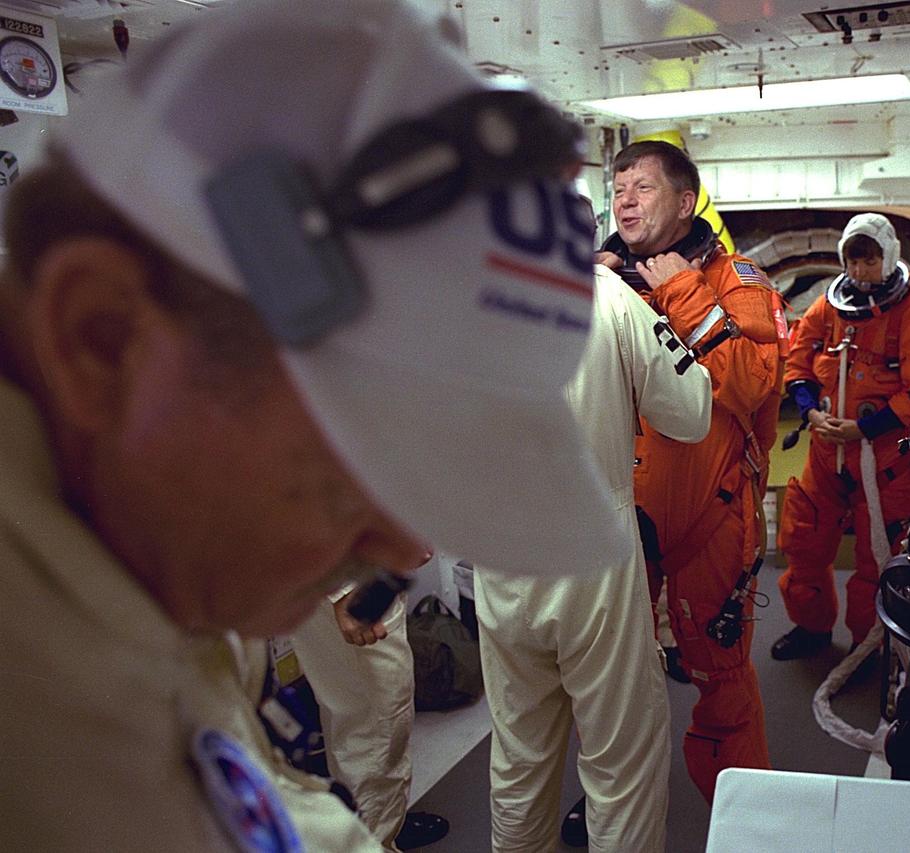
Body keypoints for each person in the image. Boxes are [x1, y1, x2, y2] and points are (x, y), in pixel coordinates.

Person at [0, 1, 628, 849]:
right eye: (359, 464)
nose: (406, 546)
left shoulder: (145, 571)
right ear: (102, 337)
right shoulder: (46, 736)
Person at [475, 259, 712, 852]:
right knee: (621, 762)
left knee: (519, 754)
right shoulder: (608, 297)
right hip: (592, 559)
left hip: (500, 561)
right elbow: (691, 413)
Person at [596, 140, 787, 803]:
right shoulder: (599, 281)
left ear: (684, 202)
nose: (626, 200)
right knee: (612, 676)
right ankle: (616, 801)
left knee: (720, 673)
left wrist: (680, 288)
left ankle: (742, 805)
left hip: (711, 509)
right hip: (621, 510)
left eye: (643, 187)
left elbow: (752, 385)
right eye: (618, 188)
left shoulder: (738, 281)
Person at [773, 213, 910, 661]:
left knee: (878, 559)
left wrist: (864, 428)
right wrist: (810, 410)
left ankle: (867, 643)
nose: (859, 271)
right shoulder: (829, 307)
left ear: (888, 257)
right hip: (828, 453)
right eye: (853, 262)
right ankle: (811, 628)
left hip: (886, 459)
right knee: (804, 542)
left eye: (869, 261)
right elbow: (797, 361)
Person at [290, 567, 449, 850]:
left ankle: (373, 827)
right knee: (376, 731)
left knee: (349, 716)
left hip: (334, 574)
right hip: (354, 579)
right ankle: (376, 837)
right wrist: (347, 590)